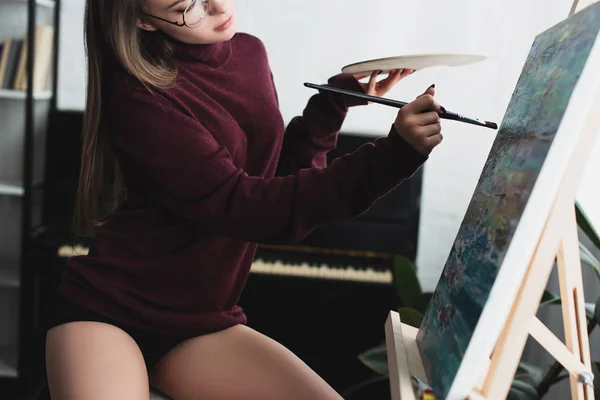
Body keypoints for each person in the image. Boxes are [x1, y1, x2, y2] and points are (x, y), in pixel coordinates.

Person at [45, 0, 443, 399]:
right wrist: (392, 157)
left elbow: (276, 179)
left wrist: (333, 101)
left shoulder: (250, 52)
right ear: (143, 21)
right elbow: (246, 208)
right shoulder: (137, 95)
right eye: (188, 6)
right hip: (108, 315)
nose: (218, 7)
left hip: (199, 323)